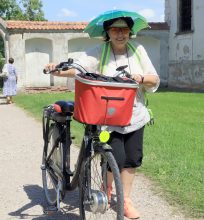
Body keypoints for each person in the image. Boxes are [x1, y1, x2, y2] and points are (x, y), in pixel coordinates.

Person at [45, 16, 160, 219]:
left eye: (124, 30)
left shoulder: (138, 50)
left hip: (135, 114)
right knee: (115, 156)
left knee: (132, 159)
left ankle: (125, 200)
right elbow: (79, 67)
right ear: (108, 32)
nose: (120, 33)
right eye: (115, 29)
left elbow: (154, 78)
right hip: (108, 117)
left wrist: (140, 78)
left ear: (130, 32)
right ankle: (107, 189)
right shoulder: (99, 52)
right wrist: (58, 69)